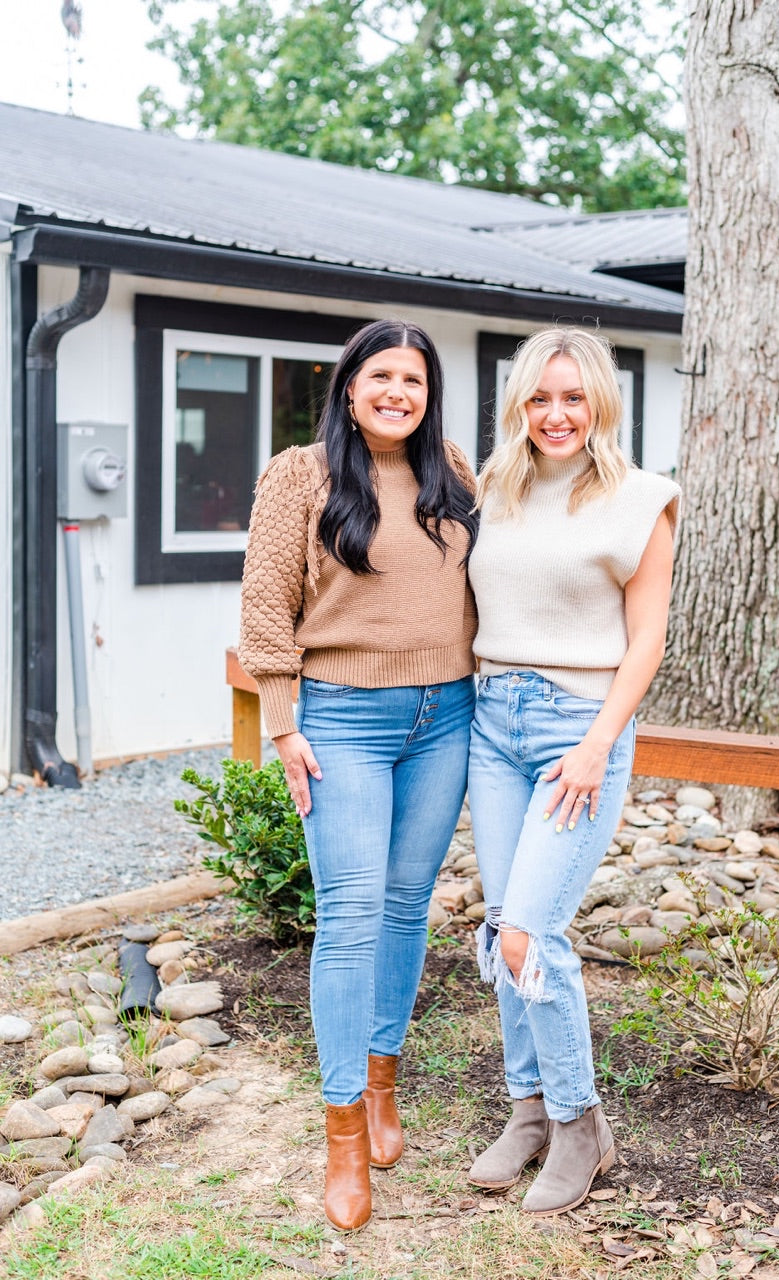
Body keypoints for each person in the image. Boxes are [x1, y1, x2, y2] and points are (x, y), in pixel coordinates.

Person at [238, 319, 478, 1232]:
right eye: (381, 375)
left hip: (445, 715)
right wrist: (283, 724)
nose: (397, 392)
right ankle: (342, 1133)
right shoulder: (299, 473)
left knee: (408, 904)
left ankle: (383, 1083)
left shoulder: (450, 467)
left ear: (428, 393)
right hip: (342, 718)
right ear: (349, 386)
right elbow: (266, 603)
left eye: (413, 379)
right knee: (349, 917)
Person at [466, 325, 679, 1216]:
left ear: (601, 401)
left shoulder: (643, 499)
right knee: (500, 926)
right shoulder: (493, 487)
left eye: (572, 397)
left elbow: (648, 638)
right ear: (519, 402)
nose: (555, 414)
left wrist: (596, 743)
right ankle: (526, 1113)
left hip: (574, 733)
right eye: (539, 397)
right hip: (491, 725)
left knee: (530, 934)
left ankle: (580, 1125)